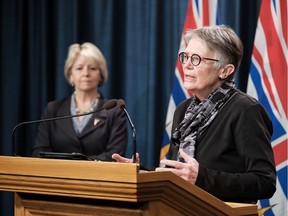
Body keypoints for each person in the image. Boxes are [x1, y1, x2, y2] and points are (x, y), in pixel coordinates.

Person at [112, 25, 276, 203]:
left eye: (196, 59)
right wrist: (141, 172)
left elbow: (264, 182)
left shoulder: (245, 110)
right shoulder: (184, 110)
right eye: (185, 57)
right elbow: (179, 173)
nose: (186, 65)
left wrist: (202, 177)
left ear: (225, 71)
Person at [32, 42, 127, 161]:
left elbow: (114, 156)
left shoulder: (114, 111)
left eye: (92, 68)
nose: (86, 73)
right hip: (57, 177)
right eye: (79, 68)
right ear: (70, 74)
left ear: (101, 75)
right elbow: (39, 152)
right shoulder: (53, 109)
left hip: (99, 178)